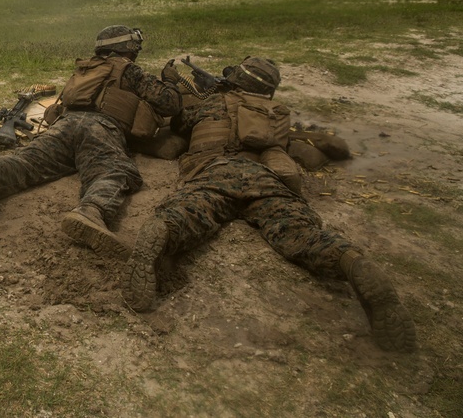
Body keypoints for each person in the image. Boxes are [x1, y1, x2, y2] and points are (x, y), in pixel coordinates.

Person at [122, 56, 417, 353]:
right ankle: (350, 260)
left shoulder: (211, 105)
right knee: (297, 231)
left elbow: (181, 125)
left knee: (190, 211)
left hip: (214, 171)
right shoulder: (275, 113)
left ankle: (161, 232)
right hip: (262, 176)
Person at [0, 25, 183, 258]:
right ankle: (90, 212)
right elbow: (170, 104)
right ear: (127, 48)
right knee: (113, 171)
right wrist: (171, 81)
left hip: (65, 125)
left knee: (25, 163)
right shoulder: (130, 70)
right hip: (101, 128)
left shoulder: (85, 68)